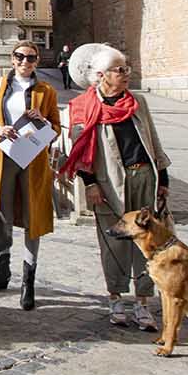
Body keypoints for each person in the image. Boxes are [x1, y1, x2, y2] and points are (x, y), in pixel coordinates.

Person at [61, 42, 171, 331]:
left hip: (144, 177)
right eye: (119, 70)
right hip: (109, 182)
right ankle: (115, 297)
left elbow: (154, 140)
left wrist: (163, 180)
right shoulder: (83, 108)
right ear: (101, 75)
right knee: (113, 242)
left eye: (126, 69)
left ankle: (144, 301)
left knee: (148, 242)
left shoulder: (138, 103)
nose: (126, 74)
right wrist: (90, 183)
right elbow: (79, 151)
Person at [0, 40, 61, 311]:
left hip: (33, 159)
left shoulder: (46, 91)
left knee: (32, 217)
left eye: (30, 58)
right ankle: (1, 271)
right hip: (3, 157)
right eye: (20, 57)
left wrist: (43, 119)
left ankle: (29, 281)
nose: (25, 62)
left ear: (37, 61)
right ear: (12, 59)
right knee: (2, 213)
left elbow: (56, 130)